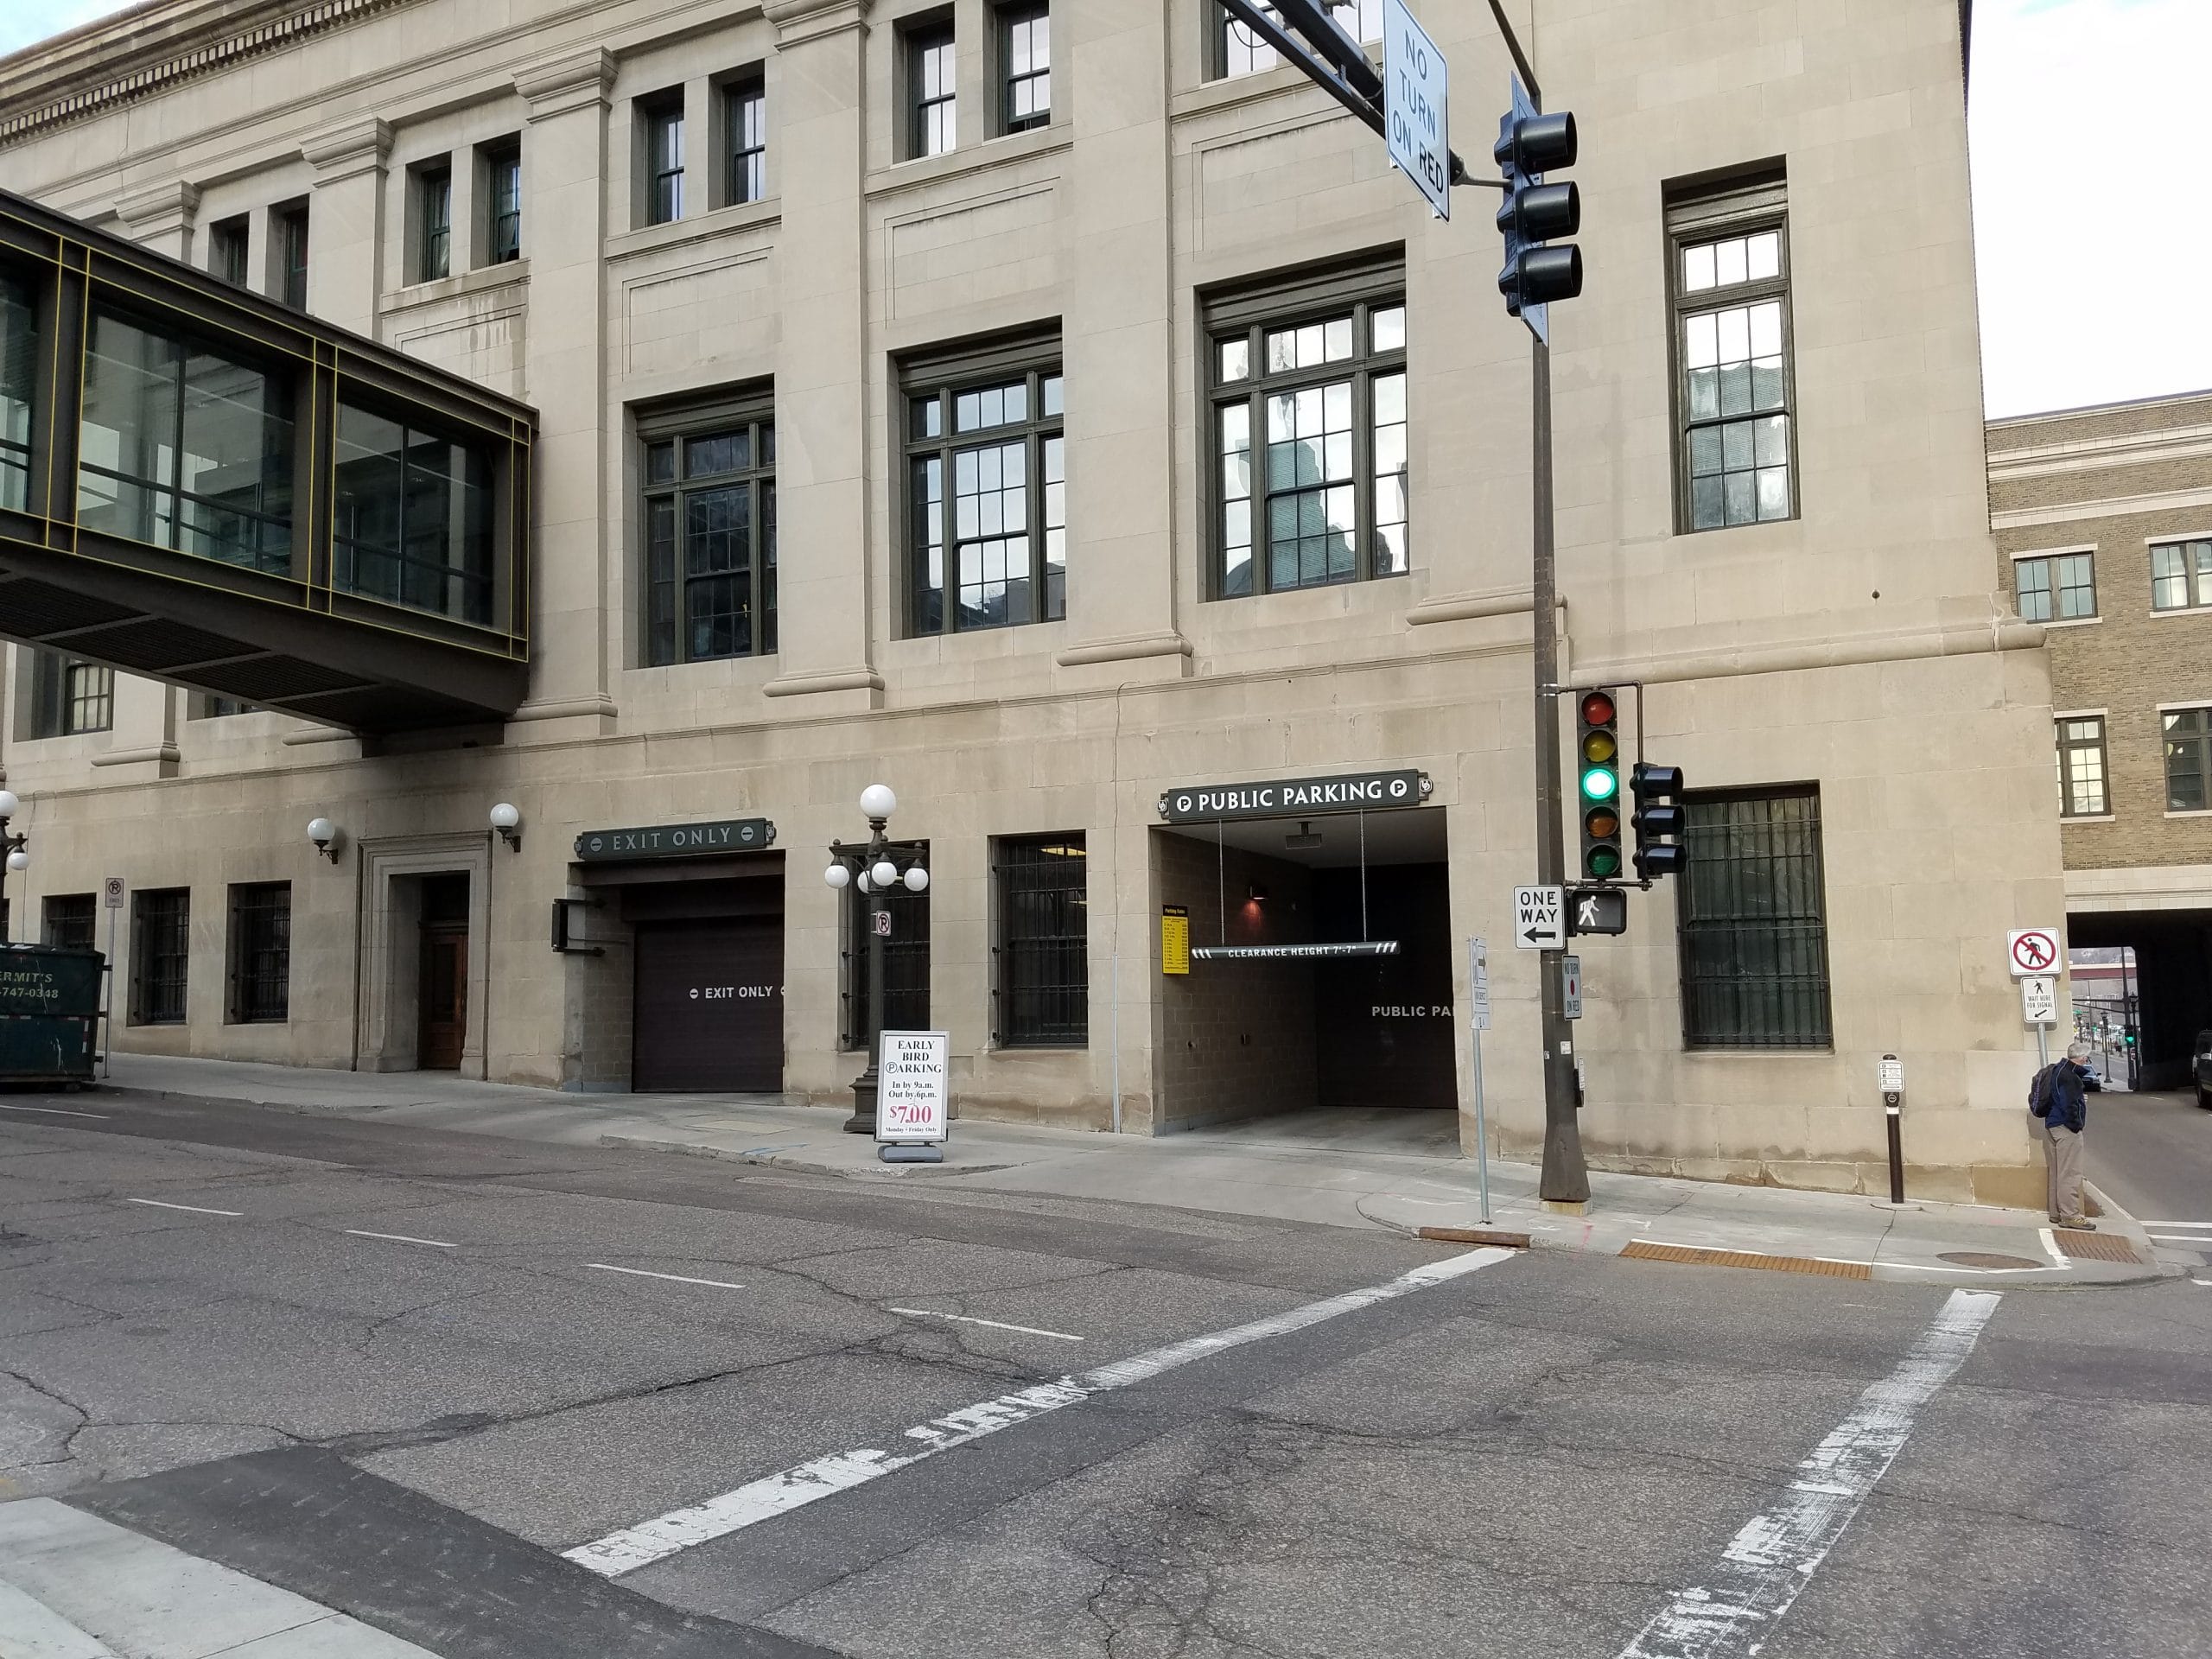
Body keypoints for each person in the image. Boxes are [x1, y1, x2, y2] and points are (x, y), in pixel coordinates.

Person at [2038, 1040, 2103, 1230]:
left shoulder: (2057, 1071)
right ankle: (2071, 1215)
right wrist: (2077, 1125)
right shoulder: (2071, 1077)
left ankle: (2056, 1212)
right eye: (2087, 1057)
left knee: (2057, 1171)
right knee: (2070, 1173)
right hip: (2066, 1129)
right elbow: (2070, 1106)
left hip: (2053, 1124)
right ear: (2083, 1058)